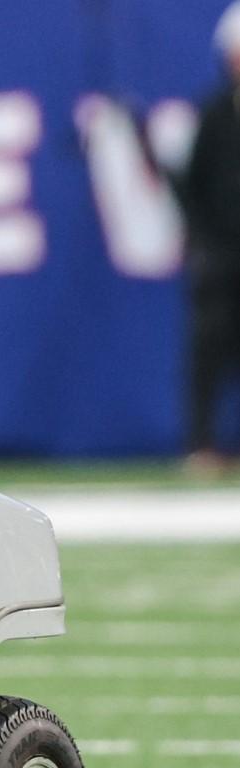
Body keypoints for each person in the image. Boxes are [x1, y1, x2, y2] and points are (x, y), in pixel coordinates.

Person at [177, 4, 240, 476]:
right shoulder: (215, 113)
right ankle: (202, 445)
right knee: (209, 353)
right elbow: (192, 183)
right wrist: (204, 243)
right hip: (223, 256)